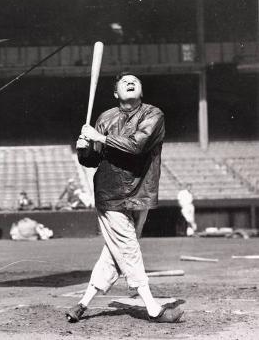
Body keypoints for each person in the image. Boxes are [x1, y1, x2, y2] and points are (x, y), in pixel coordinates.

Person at [65, 72, 183, 324]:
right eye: (124, 82)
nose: (130, 82)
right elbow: (92, 160)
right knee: (127, 247)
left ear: (141, 90)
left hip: (141, 191)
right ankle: (153, 307)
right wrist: (83, 148)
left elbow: (137, 145)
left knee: (115, 251)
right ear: (116, 93)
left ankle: (82, 304)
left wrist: (101, 138)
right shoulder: (105, 118)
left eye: (135, 81)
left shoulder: (153, 115)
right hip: (111, 192)